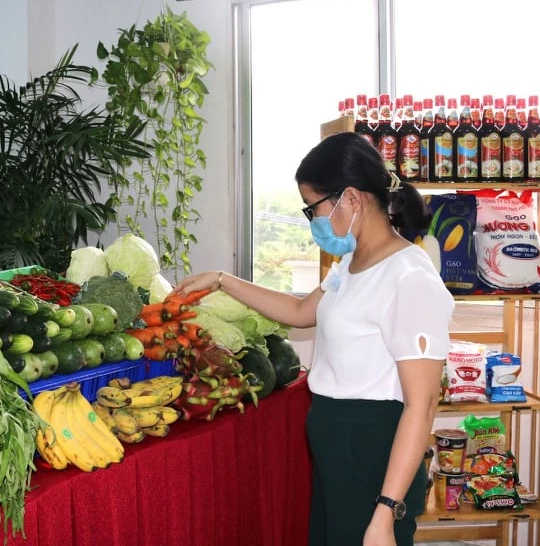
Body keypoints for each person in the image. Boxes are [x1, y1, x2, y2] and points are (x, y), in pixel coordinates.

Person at [171, 132, 453, 546]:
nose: (314, 221)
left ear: (351, 199)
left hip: (372, 452)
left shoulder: (409, 277)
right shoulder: (351, 262)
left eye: (314, 208)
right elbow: (303, 312)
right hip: (339, 450)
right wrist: (221, 280)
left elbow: (422, 402)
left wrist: (386, 512)